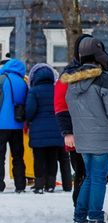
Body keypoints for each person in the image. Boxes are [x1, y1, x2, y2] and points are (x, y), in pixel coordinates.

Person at [64, 37, 108, 223]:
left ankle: (80, 216)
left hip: (83, 138)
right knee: (98, 178)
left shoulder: (72, 81)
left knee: (90, 177)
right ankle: (96, 219)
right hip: (101, 138)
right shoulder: (103, 79)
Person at [55, 34, 93, 206]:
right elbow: (61, 105)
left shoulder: (99, 71)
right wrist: (67, 132)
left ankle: (92, 206)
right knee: (81, 171)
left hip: (95, 131)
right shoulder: (69, 74)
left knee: (95, 173)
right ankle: (80, 206)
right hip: (76, 132)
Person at [25, 63, 64, 194]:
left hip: (38, 130)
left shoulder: (34, 91)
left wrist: (28, 120)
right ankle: (51, 184)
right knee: (52, 158)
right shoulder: (56, 89)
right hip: (56, 130)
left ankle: (39, 184)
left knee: (39, 158)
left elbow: (29, 111)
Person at [0, 58, 27, 193]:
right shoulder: (23, 82)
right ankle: (20, 184)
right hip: (17, 124)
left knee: (0, 156)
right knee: (17, 156)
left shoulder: (2, 79)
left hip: (1, 124)